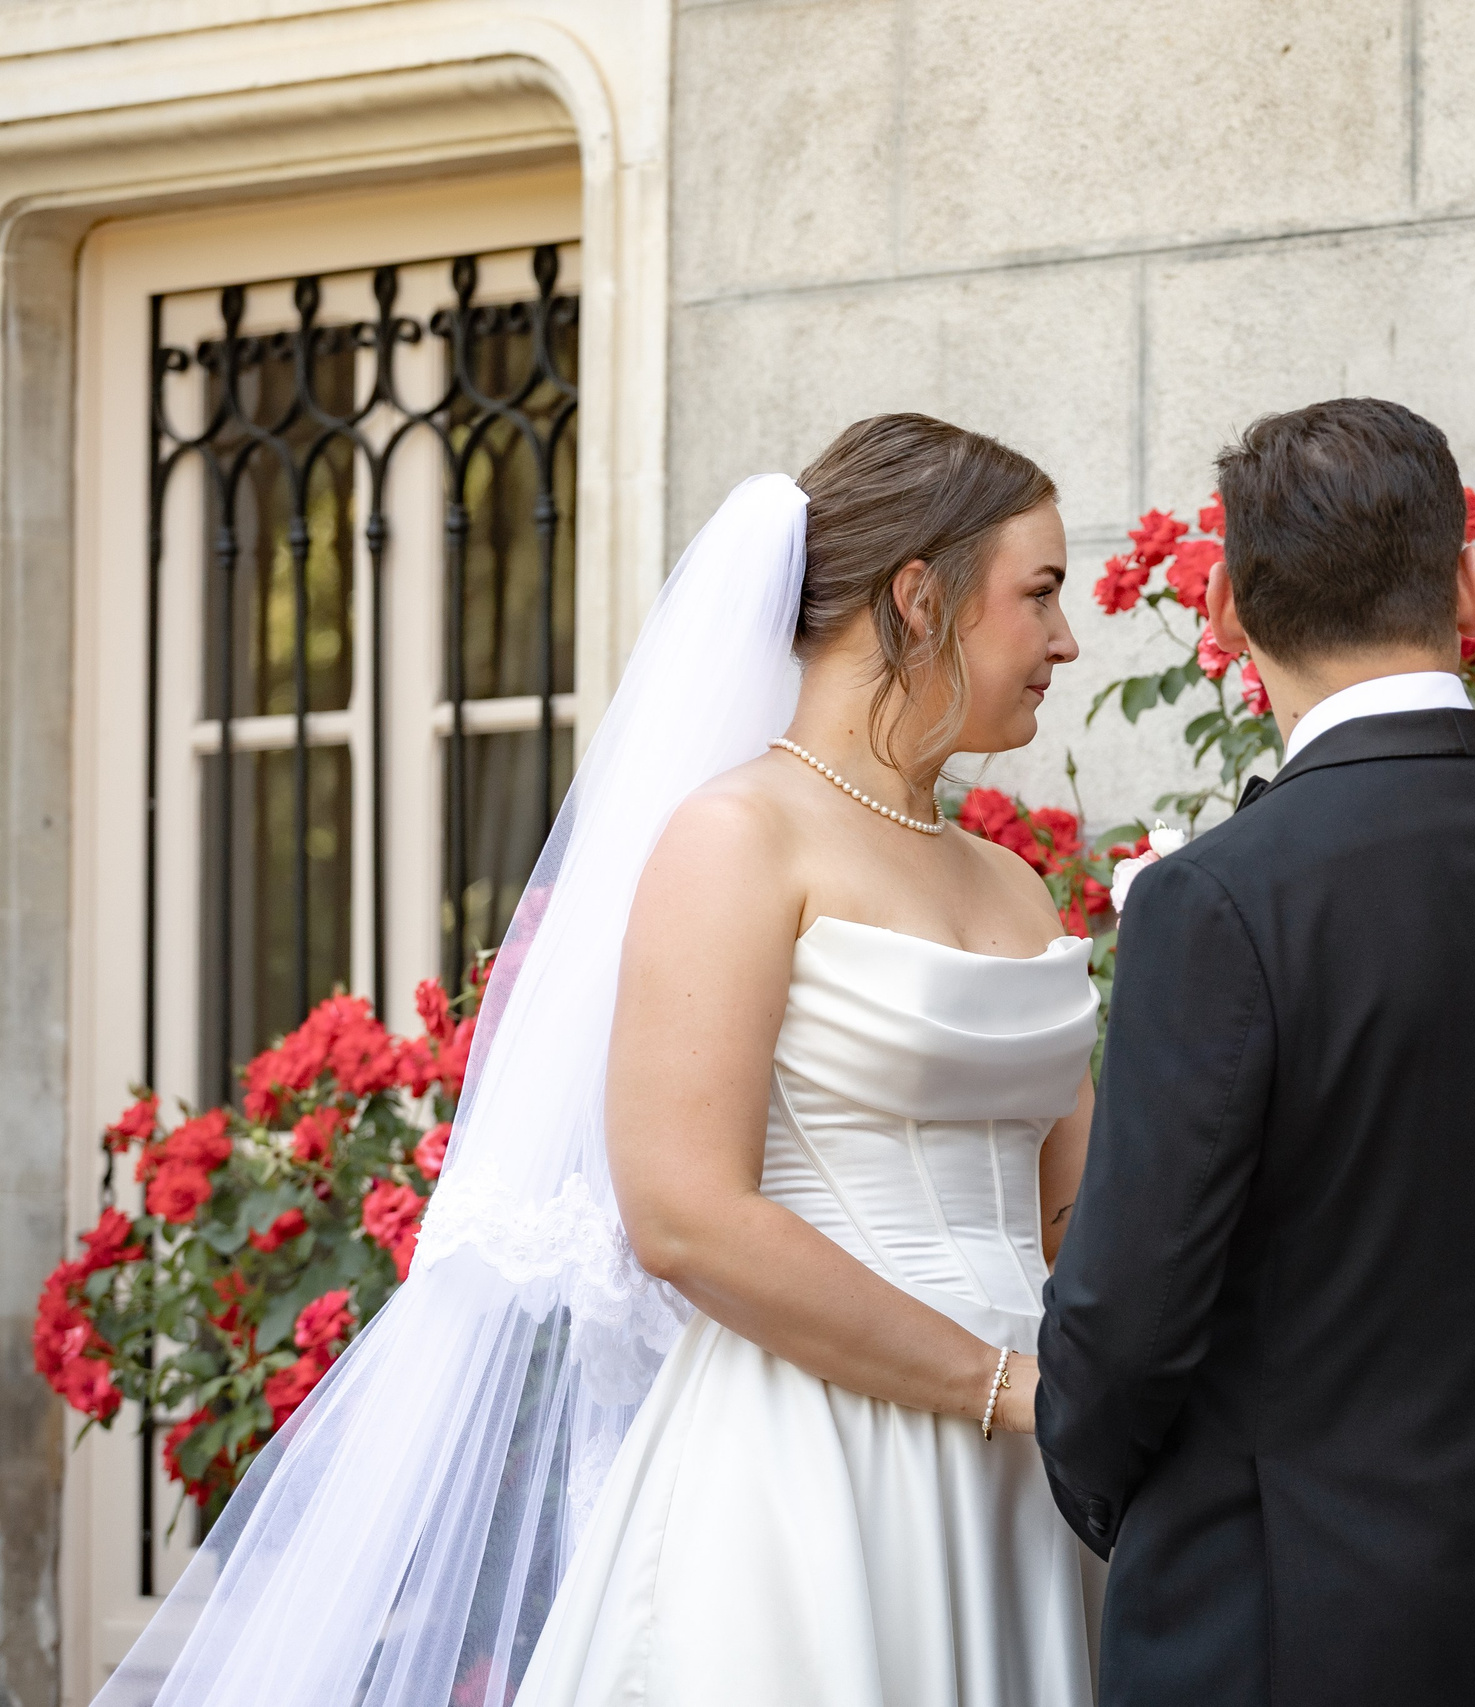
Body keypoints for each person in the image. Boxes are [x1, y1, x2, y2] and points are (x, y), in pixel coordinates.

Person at [101, 415, 1105, 1707]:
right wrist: (996, 1385)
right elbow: (686, 1214)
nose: (1067, 642)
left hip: (1033, 1470)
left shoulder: (1015, 884)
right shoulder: (737, 837)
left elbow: (1076, 1210)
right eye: (1040, 595)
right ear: (919, 596)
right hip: (820, 1454)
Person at [1034, 397, 1475, 1706]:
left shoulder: (1219, 902)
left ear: (1226, 608)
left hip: (1271, 1611)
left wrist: (1127, 1495)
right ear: (1468, 584)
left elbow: (1127, 1318)